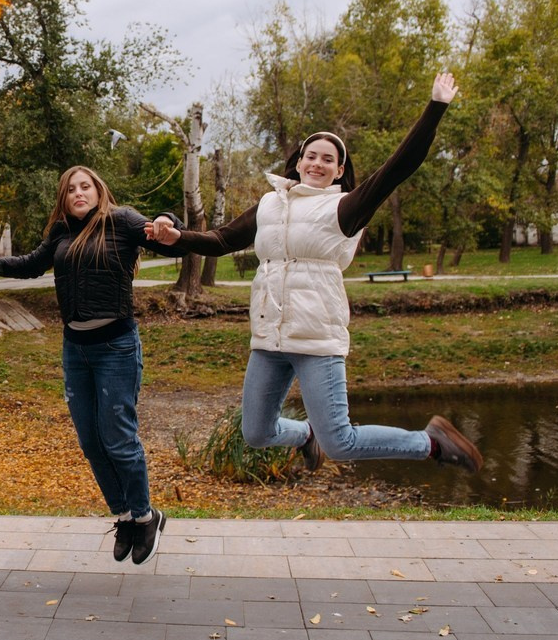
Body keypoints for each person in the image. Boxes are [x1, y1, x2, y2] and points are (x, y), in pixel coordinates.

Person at [145, 73, 483, 476]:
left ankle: (431, 442)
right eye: (311, 156)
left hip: (317, 339)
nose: (317, 163)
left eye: (327, 159)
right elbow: (221, 239)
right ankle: (306, 435)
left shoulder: (345, 208)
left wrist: (436, 107)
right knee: (256, 432)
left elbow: (399, 167)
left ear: (339, 170)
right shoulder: (270, 204)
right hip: (270, 338)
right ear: (298, 162)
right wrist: (177, 237)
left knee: (340, 442)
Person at [0, 167, 185, 565]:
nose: (78, 193)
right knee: (91, 441)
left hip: (116, 347)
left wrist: (167, 220)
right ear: (64, 198)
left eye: (85, 186)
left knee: (118, 437)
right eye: (71, 189)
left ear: (99, 190)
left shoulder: (122, 221)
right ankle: (124, 515)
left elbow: (170, 239)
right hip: (76, 349)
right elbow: (32, 263)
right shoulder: (61, 231)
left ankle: (145, 515)